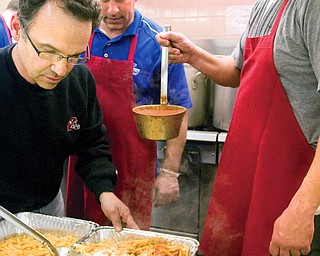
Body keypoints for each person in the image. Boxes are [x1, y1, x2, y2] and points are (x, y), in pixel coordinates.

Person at [156, 0, 320, 255]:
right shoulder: (264, 5)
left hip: (292, 186)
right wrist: (194, 55)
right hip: (246, 173)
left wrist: (304, 208)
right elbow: (236, 70)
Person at [0, 0, 139, 233]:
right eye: (49, 52)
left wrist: (105, 192)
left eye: (73, 55)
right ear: (17, 29)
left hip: (49, 204)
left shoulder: (79, 80)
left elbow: (91, 143)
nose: (60, 70)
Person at [65, 0, 192, 230]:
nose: (113, 10)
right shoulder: (79, 33)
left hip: (133, 168)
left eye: (121, 0)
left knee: (128, 241)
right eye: (105, 1)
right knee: (77, 237)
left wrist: (170, 172)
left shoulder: (158, 42)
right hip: (82, 162)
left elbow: (178, 111)